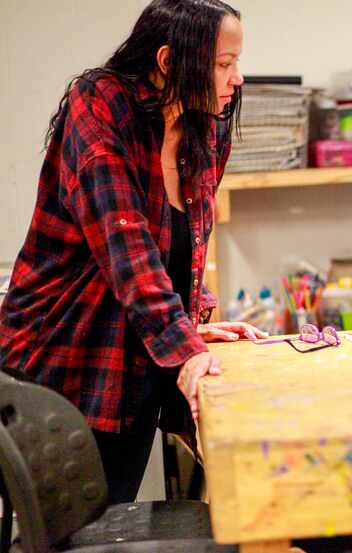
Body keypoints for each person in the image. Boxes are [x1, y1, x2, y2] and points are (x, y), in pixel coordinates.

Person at [0, 0, 267, 504]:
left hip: (133, 359)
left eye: (238, 62)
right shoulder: (98, 104)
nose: (238, 79)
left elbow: (182, 246)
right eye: (224, 64)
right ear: (168, 62)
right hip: (62, 361)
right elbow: (126, 246)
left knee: (112, 519)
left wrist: (188, 321)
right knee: (78, 533)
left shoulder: (202, 125)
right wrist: (182, 345)